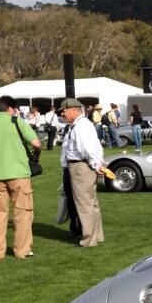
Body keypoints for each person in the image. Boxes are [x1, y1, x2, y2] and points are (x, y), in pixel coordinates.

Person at [0, 96, 40, 261]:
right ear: (11, 109)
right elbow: (36, 143)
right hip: (18, 173)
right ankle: (22, 250)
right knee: (23, 213)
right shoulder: (17, 122)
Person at [60, 98, 108, 248]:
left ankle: (88, 239)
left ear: (73, 110)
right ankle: (97, 235)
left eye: (64, 110)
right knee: (91, 202)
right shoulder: (83, 124)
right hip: (85, 165)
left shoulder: (80, 126)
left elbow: (85, 149)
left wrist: (95, 163)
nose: (62, 113)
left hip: (81, 167)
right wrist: (97, 163)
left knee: (84, 203)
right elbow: (97, 147)